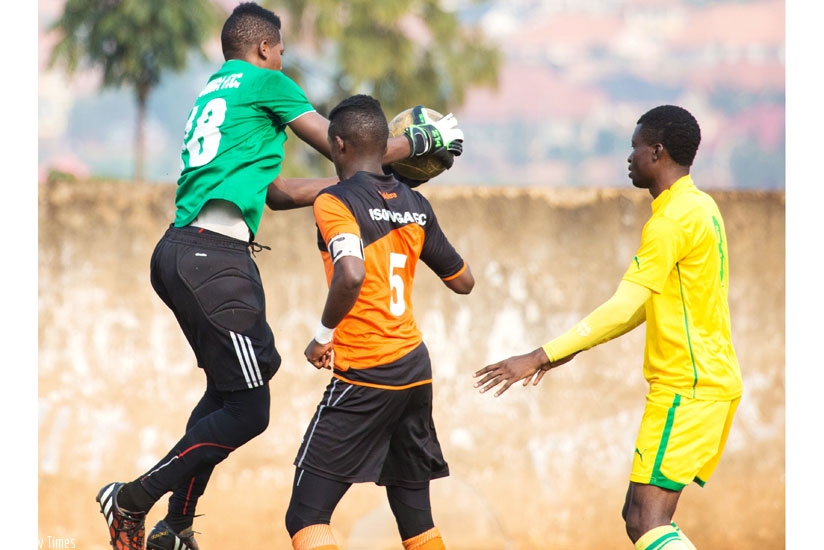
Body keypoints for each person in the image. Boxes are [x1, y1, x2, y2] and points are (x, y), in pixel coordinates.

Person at [94, 3, 464, 550]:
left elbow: (274, 192)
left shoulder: (217, 90)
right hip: (212, 257)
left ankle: (176, 527)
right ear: (266, 49)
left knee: (230, 393)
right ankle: (130, 499)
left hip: (186, 251)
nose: (283, 58)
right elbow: (347, 147)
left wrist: (362, 193)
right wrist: (417, 144)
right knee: (249, 410)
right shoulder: (266, 81)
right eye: (283, 50)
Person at [474, 105, 743, 550]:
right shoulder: (700, 206)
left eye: (635, 147)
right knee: (637, 516)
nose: (629, 157)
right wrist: (573, 351)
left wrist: (542, 355)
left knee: (646, 521)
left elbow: (624, 305)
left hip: (687, 390)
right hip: (707, 384)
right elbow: (649, 303)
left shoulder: (670, 221)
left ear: (656, 152)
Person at [285, 94, 474, 550]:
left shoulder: (334, 202)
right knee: (416, 519)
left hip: (365, 373)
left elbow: (350, 273)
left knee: (306, 517)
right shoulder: (416, 206)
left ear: (338, 145)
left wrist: (321, 337)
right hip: (413, 371)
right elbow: (463, 281)